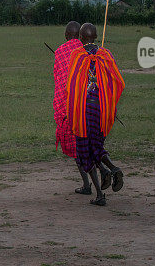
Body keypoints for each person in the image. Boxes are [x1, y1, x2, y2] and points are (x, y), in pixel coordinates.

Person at [66, 23, 125, 206]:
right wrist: (110, 105)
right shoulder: (105, 55)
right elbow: (116, 81)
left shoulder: (77, 55)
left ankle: (100, 194)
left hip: (84, 109)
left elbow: (72, 85)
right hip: (101, 108)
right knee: (97, 144)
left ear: (81, 38)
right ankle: (112, 169)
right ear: (96, 37)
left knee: (85, 150)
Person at [52, 21, 111, 195]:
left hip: (71, 107)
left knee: (82, 149)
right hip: (93, 105)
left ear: (66, 35)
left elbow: (60, 80)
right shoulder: (93, 51)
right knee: (90, 146)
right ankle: (92, 182)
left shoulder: (68, 52)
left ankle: (98, 186)